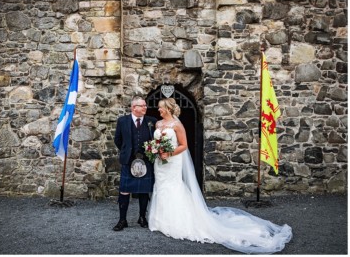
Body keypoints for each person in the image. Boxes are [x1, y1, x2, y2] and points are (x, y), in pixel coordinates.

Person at [147, 98, 292, 253]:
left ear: (168, 109)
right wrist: (155, 150)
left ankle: (176, 221)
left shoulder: (177, 125)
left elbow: (184, 145)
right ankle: (160, 221)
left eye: (161, 108)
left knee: (174, 186)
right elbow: (156, 141)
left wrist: (169, 153)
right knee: (160, 186)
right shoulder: (158, 124)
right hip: (160, 163)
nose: (158, 110)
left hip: (173, 161)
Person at [113, 96, 157, 231]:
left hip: (146, 161)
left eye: (145, 105)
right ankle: (122, 220)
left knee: (144, 191)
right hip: (128, 161)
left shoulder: (152, 121)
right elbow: (117, 140)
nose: (145, 107)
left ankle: (142, 217)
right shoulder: (122, 121)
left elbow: (156, 140)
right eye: (142, 105)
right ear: (133, 107)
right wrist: (127, 152)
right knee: (124, 191)